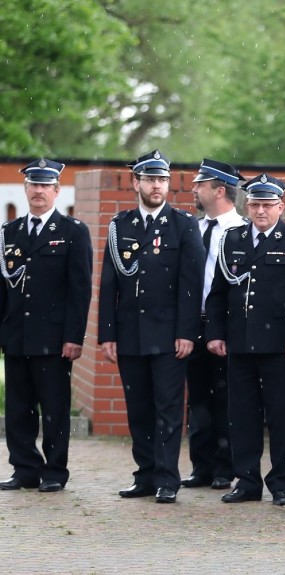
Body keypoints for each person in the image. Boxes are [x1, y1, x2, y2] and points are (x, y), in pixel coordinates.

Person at [99, 150, 204, 504]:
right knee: (139, 408)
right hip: (130, 333)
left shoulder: (183, 224)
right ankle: (144, 475)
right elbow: (109, 284)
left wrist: (187, 332)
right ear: (136, 183)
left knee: (168, 410)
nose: (157, 186)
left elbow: (192, 284)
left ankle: (167, 478)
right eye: (150, 179)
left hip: (169, 334)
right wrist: (107, 334)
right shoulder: (120, 225)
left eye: (162, 179)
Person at [206, 174, 285, 506]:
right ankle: (247, 479)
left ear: (281, 206)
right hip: (240, 342)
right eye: (254, 205)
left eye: (267, 205)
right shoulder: (232, 238)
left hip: (281, 346)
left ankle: (282, 482)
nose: (260, 211)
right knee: (242, 415)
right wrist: (214, 333)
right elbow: (219, 292)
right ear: (247, 206)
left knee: (282, 416)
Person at [0, 159, 92, 493]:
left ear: (56, 191)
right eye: (33, 186)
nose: (38, 192)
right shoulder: (8, 233)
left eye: (45, 186)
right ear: (26, 190)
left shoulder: (72, 232)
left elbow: (80, 290)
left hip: (53, 338)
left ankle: (54, 471)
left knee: (53, 408)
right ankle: (24, 469)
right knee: (18, 409)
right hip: (17, 336)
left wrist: (73, 337)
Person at [181, 159, 246, 491]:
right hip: (195, 324)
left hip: (227, 326)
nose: (194, 189)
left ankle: (225, 465)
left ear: (220, 190)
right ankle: (200, 465)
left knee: (226, 397)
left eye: (200, 184)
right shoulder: (192, 227)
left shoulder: (242, 231)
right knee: (199, 399)